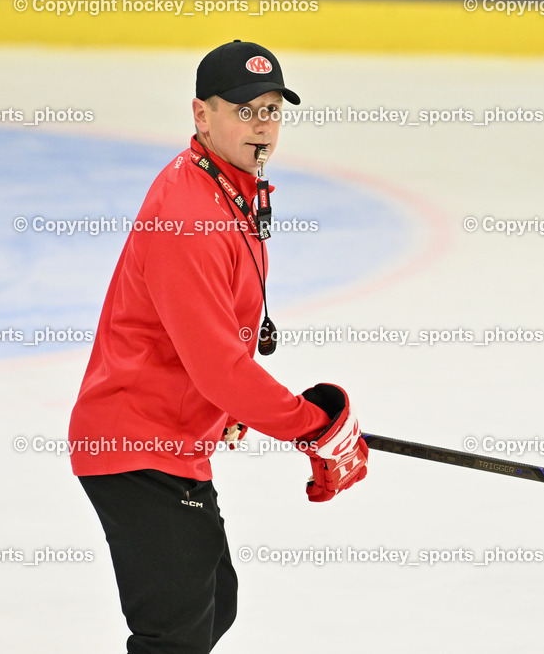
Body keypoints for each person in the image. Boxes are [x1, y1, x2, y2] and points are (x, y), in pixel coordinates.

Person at [69, 39, 369, 654]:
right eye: (243, 109)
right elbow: (217, 366)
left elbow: (211, 338)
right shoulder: (188, 215)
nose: (262, 124)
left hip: (172, 438)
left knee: (213, 610)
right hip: (136, 445)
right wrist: (309, 425)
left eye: (271, 109)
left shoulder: (233, 187)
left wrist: (238, 410)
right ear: (201, 115)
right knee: (176, 634)